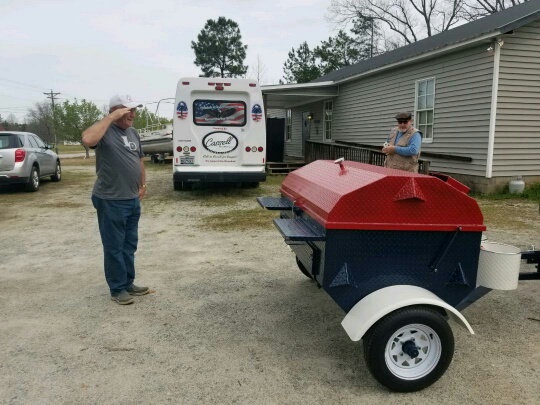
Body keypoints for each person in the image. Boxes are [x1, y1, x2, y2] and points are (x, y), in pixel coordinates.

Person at [82, 94, 149, 305]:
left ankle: (128, 282)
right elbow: (87, 139)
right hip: (110, 199)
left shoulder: (133, 133)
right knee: (114, 246)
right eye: (128, 110)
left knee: (129, 245)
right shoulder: (104, 130)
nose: (133, 114)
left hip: (131, 198)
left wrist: (143, 184)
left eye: (134, 110)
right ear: (115, 110)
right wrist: (110, 118)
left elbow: (139, 160)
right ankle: (117, 288)